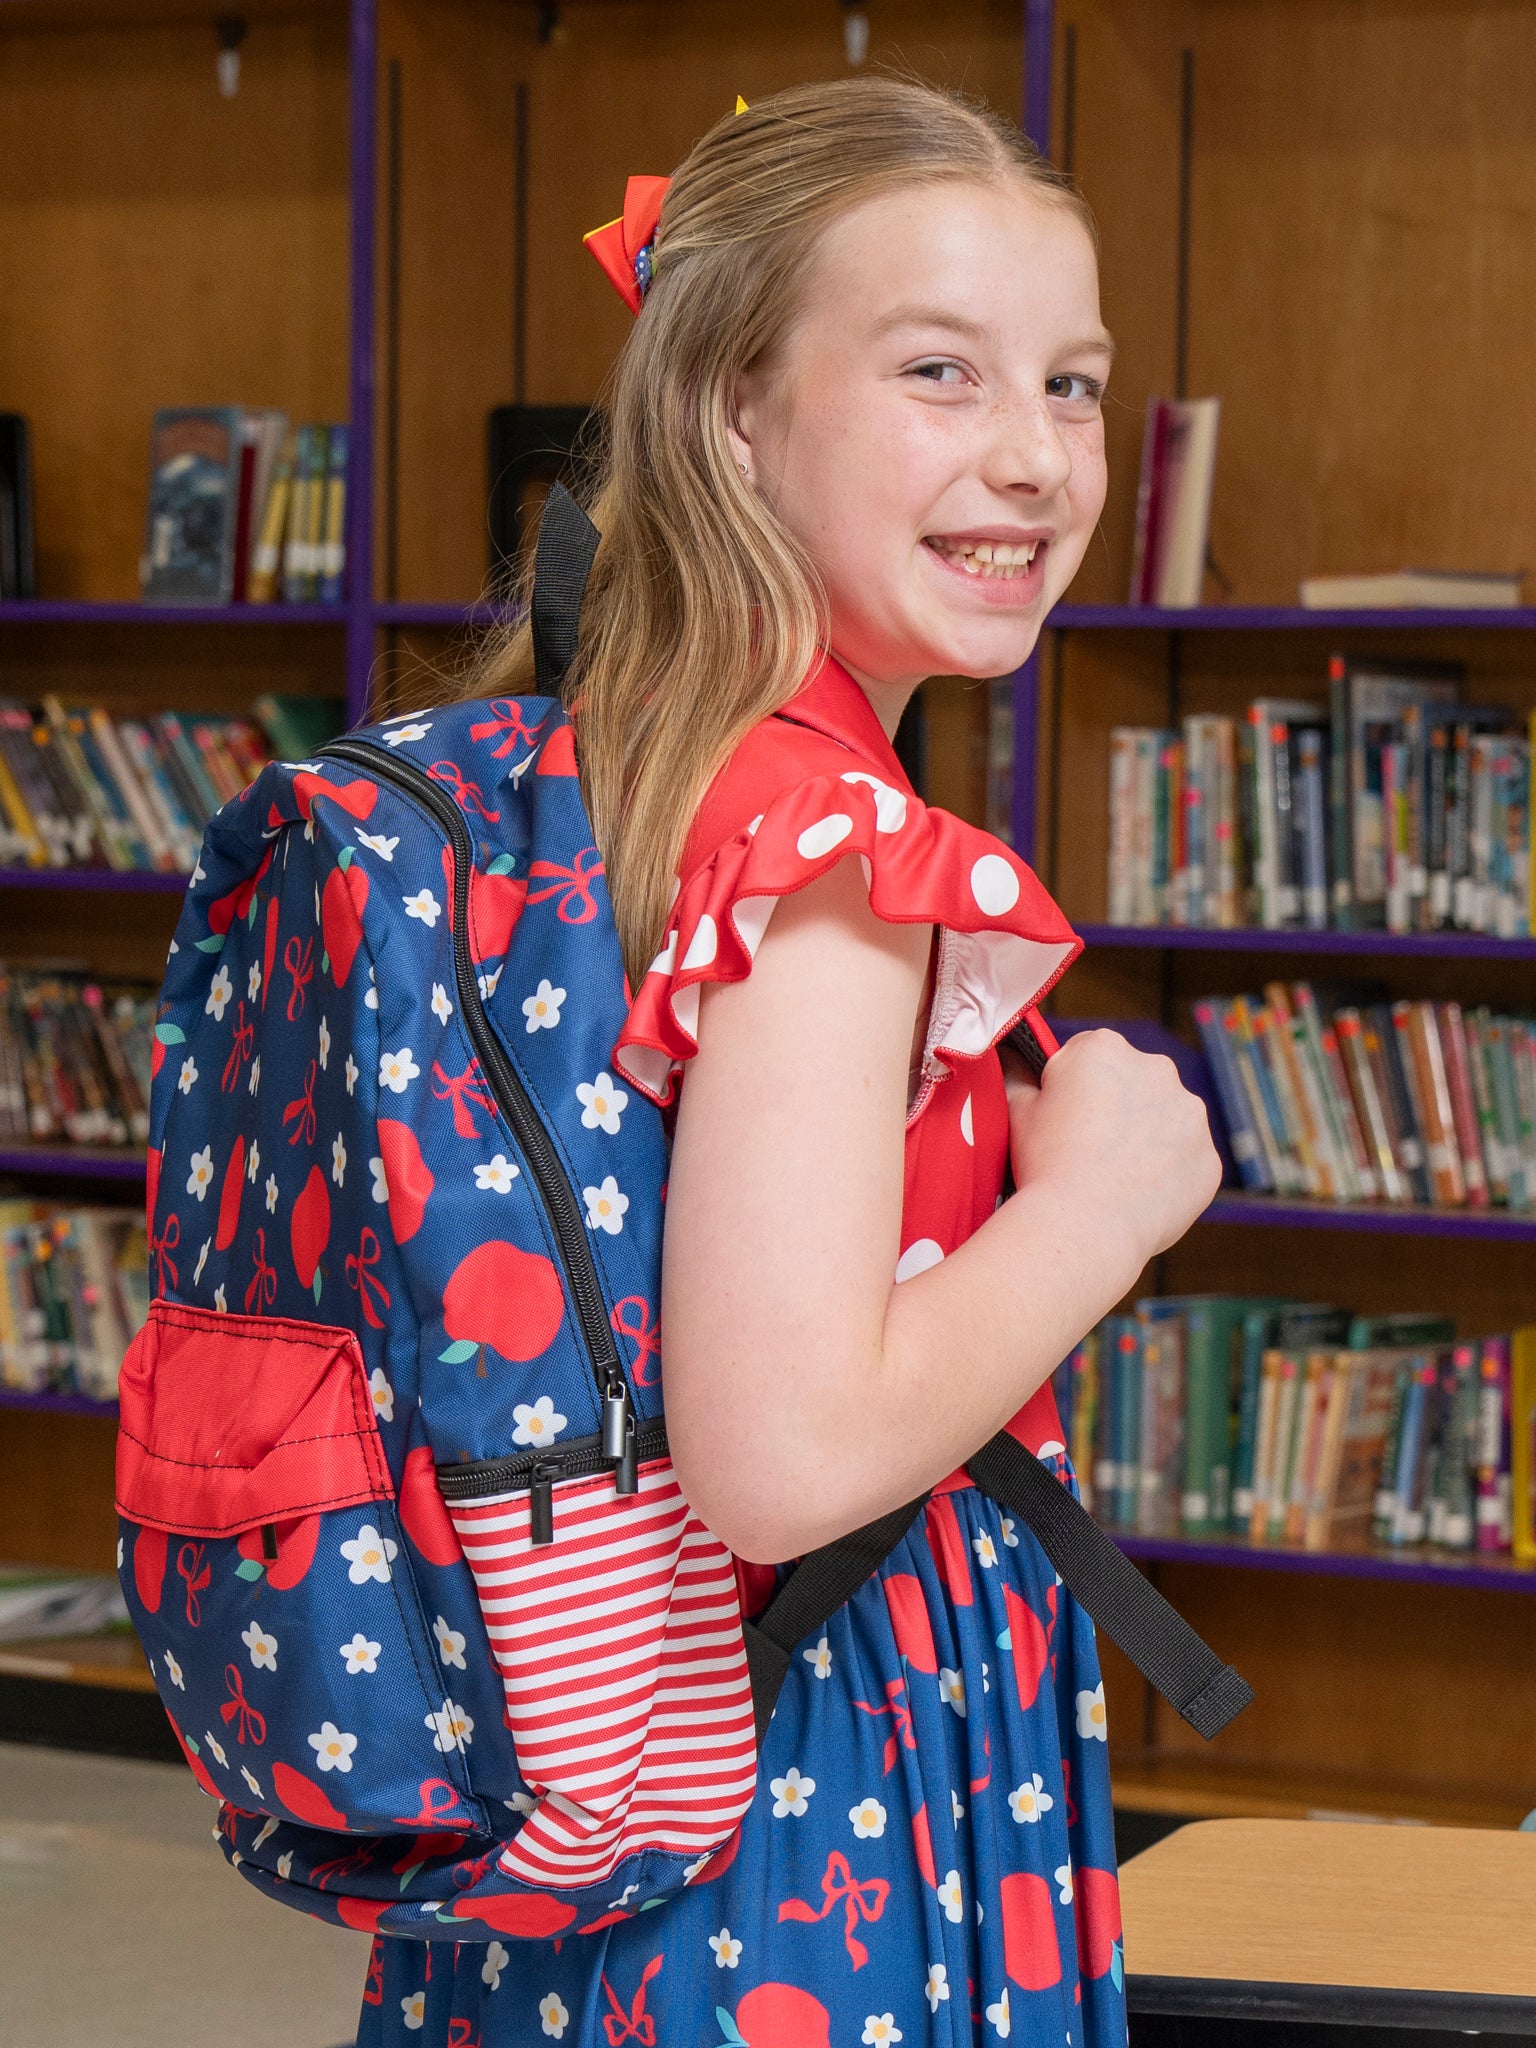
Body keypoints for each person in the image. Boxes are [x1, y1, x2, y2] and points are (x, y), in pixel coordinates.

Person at [357, 73, 1220, 2048]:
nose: (1034, 458)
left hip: (604, 1722)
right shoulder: (833, 848)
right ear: (731, 410)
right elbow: (790, 1456)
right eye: (940, 371)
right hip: (804, 1757)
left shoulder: (600, 763)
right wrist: (1102, 1203)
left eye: (1075, 386)